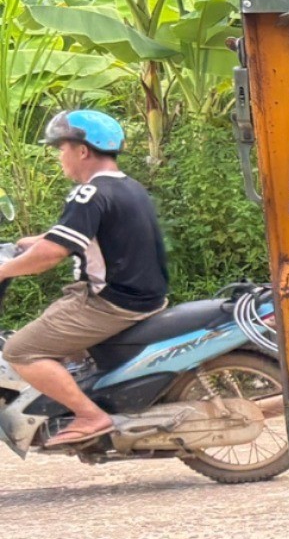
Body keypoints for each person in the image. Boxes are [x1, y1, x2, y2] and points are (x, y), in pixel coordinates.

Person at [0, 110, 168, 447]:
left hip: (110, 302)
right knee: (51, 325)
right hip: (140, 294)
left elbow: (50, 256)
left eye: (61, 148)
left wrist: (4, 269)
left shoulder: (88, 194)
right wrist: (26, 243)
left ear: (82, 151)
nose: (60, 156)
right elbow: (77, 238)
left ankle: (91, 415)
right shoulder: (126, 187)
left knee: (20, 350)